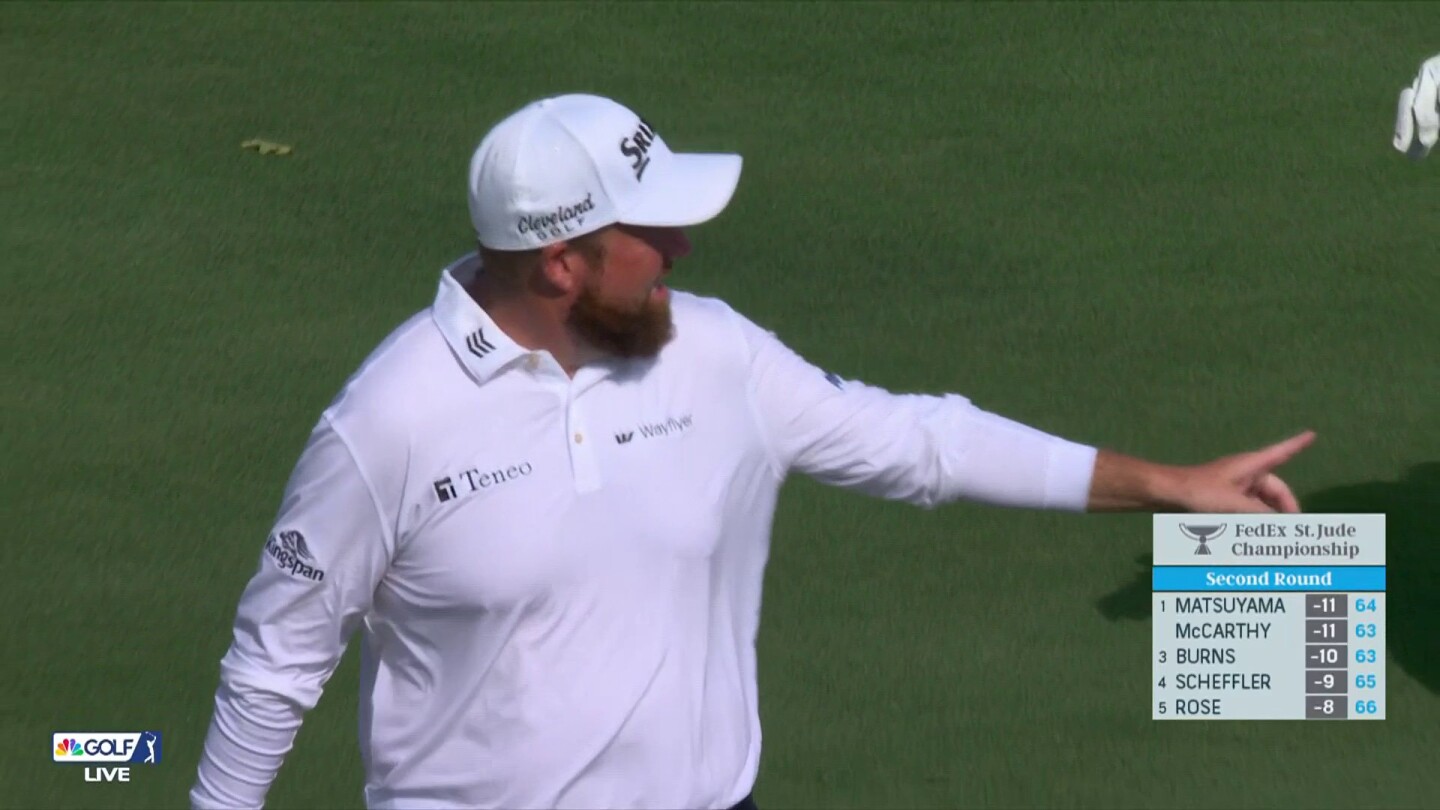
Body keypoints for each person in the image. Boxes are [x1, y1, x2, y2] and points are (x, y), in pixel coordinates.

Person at [189, 93, 1315, 810]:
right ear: (561, 264)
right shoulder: (387, 423)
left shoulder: (711, 352)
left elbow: (919, 440)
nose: (682, 244)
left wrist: (1166, 486)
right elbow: (275, 662)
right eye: (651, 231)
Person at [1395, 53, 1439, 159]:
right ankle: (1403, 141)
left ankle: (1425, 140)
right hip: (1432, 74)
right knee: (1419, 110)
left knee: (1427, 119)